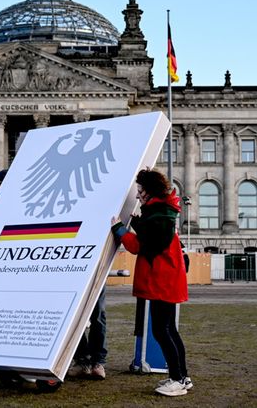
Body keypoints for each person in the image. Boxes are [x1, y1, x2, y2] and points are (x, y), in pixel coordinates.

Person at [111, 169, 191, 397]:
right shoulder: (161, 213)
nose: (137, 195)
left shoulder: (159, 216)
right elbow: (151, 234)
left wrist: (119, 229)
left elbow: (140, 246)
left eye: (140, 191)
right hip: (167, 280)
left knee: (161, 331)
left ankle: (177, 380)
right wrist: (137, 223)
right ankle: (183, 377)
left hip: (162, 281)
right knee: (170, 330)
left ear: (150, 191)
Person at [69, 291, 107, 380]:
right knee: (73, 315)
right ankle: (82, 361)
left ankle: (98, 362)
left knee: (98, 314)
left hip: (96, 282)